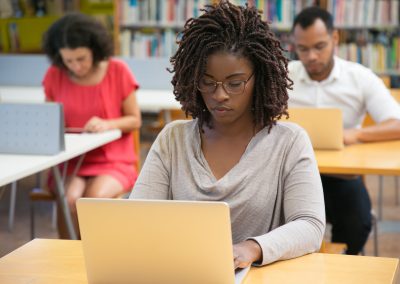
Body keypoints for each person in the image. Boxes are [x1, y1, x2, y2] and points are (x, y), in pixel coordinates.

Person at [130, 1, 325, 267]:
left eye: (235, 84)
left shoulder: (289, 142)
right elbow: (138, 217)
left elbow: (310, 226)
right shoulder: (172, 140)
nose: (219, 95)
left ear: (261, 78)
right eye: (207, 82)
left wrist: (253, 248)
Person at [288, 6, 400, 255]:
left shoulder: (359, 77)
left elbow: (397, 123)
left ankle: (342, 267)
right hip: (290, 176)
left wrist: (355, 134)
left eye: (319, 46)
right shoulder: (284, 77)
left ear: (335, 39)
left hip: (341, 178)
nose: (312, 57)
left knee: (357, 222)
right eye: (303, 49)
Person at [42, 13, 142, 238]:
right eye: (68, 60)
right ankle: (69, 256)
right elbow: (48, 122)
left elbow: (135, 120)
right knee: (69, 198)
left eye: (81, 58)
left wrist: (107, 124)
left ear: (94, 50)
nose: (76, 66)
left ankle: (97, 259)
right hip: (71, 160)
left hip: (113, 159)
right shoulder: (54, 75)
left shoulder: (118, 70)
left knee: (93, 200)